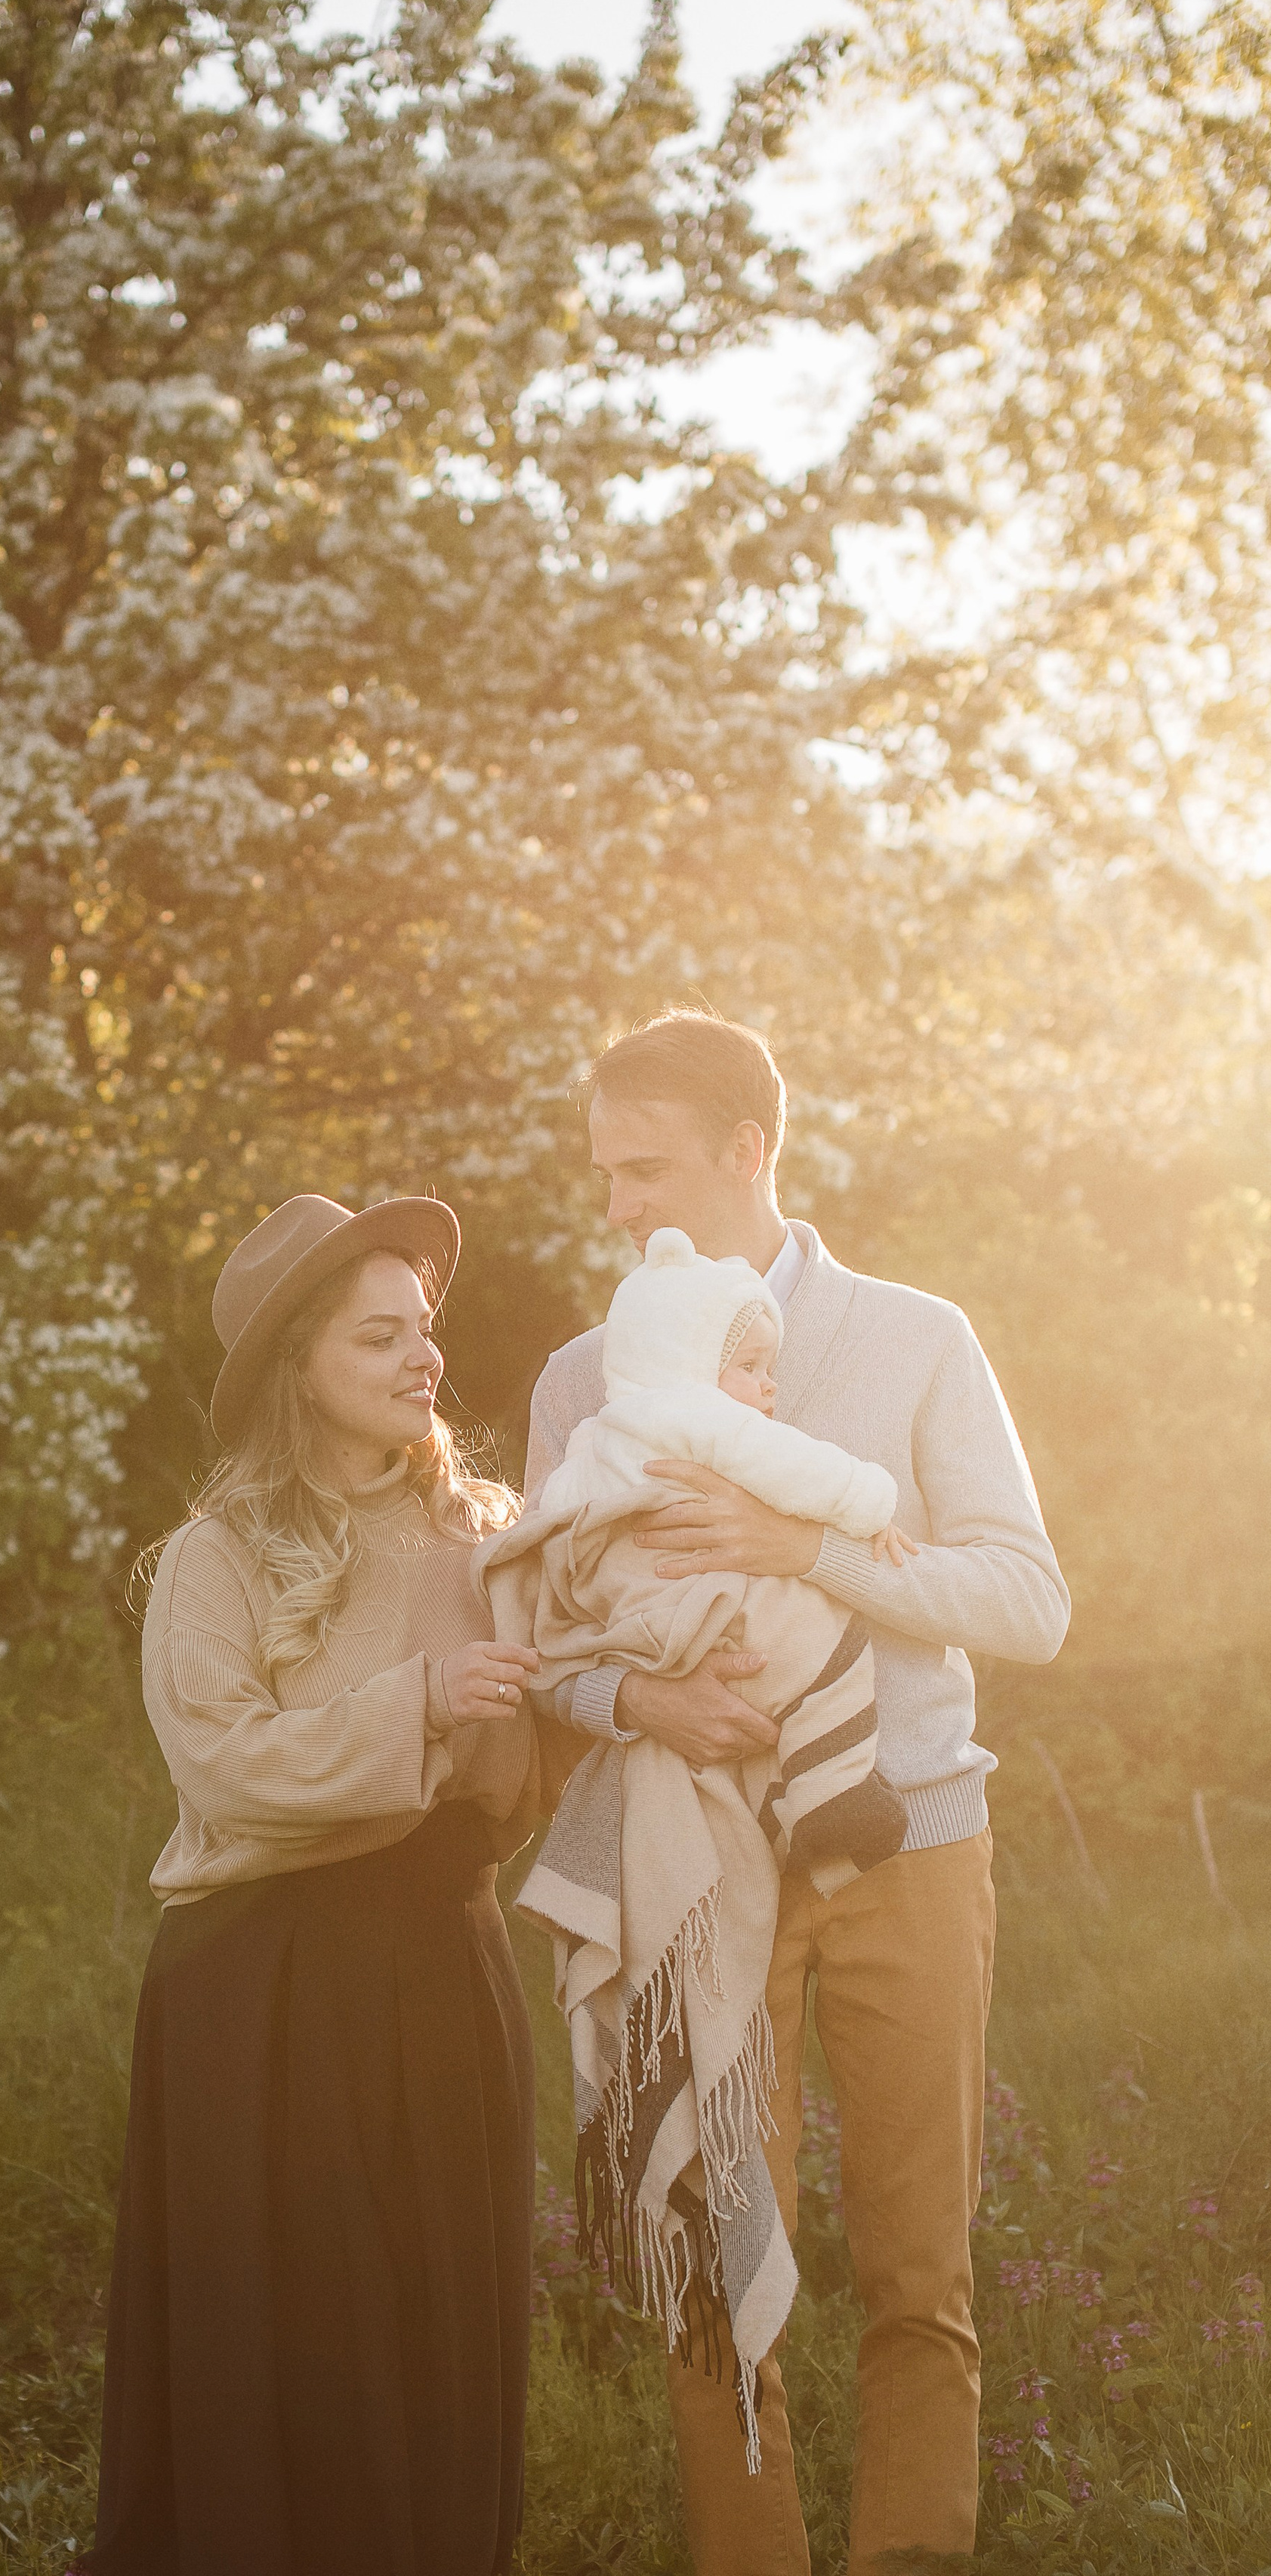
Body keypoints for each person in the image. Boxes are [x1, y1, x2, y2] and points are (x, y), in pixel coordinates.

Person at [525, 1010, 1069, 2576]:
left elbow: (1026, 1603)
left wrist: (805, 1553)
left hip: (908, 1846)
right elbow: (541, 1645)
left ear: (747, 1150)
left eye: (646, 1169)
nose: (618, 1206)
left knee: (917, 2270)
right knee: (710, 2264)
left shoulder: (912, 1336)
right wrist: (635, 1697)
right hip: (691, 1870)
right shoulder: (581, 1377)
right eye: (604, 1174)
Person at [91, 1190, 542, 2576]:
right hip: (265, 1992)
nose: (425, 1361)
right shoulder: (214, 1565)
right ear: (299, 1366)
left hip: (445, 1966)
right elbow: (227, 1770)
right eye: (378, 1335)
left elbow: (526, 1784)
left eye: (427, 1330)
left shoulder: (490, 1538)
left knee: (435, 2313)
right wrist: (420, 1706)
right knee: (290, 2338)